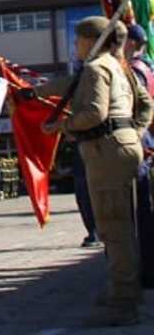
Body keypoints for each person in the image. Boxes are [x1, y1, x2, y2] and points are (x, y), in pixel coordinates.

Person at [33, 16, 153, 327]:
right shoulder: (119, 66)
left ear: (90, 39)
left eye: (77, 40)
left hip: (106, 152)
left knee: (115, 229)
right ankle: (126, 292)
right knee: (124, 225)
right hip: (122, 148)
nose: (75, 46)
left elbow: (94, 113)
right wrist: (133, 131)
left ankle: (123, 302)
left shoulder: (97, 67)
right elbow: (145, 104)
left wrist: (61, 125)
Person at [124, 23, 154, 288]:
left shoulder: (135, 70)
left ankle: (145, 270)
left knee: (138, 211)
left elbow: (135, 107)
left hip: (137, 141)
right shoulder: (148, 65)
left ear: (132, 43)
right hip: (144, 140)